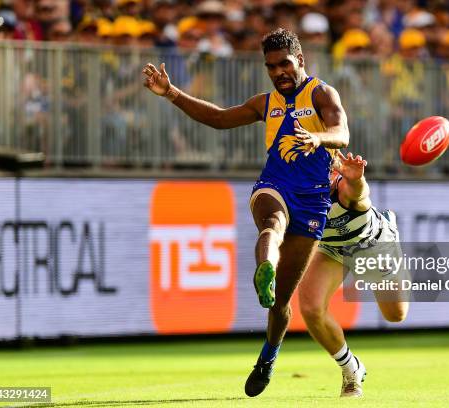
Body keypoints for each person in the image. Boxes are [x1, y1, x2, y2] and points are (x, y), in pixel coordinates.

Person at [142, 28, 350, 397]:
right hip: (274, 187)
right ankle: (263, 270)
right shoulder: (264, 102)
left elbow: (341, 131)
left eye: (285, 64)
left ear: (300, 60)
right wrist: (171, 93)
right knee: (272, 222)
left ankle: (268, 355)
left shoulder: (321, 93)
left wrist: (319, 138)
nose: (278, 72)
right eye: (271, 67)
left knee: (282, 305)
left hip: (315, 200)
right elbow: (220, 118)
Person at [298, 151, 409, 397]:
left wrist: (357, 179)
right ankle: (351, 369)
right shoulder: (296, 195)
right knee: (310, 307)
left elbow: (359, 192)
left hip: (373, 246)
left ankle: (388, 226)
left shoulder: (344, 190)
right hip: (333, 250)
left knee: (395, 315)